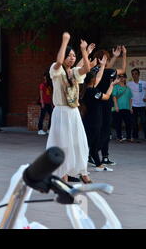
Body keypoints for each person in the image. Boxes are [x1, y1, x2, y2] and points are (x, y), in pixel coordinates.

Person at [46, 33, 91, 184]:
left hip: (73, 112)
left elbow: (87, 68)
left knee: (80, 142)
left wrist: (84, 51)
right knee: (63, 144)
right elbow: (59, 61)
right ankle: (63, 176)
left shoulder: (74, 72)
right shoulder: (56, 70)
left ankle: (83, 172)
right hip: (61, 112)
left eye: (73, 55)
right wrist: (65, 40)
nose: (71, 58)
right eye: (69, 55)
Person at [82, 55, 120, 172]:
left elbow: (98, 77)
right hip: (93, 122)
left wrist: (103, 66)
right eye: (95, 78)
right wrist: (112, 85)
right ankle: (80, 167)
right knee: (88, 144)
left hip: (92, 121)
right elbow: (107, 96)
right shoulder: (92, 92)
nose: (97, 79)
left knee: (93, 145)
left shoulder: (88, 90)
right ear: (92, 81)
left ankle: (98, 165)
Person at [91, 45, 127, 165]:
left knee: (99, 130)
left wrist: (115, 57)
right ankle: (94, 152)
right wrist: (123, 55)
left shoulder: (93, 71)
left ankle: (103, 156)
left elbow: (106, 68)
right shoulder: (109, 71)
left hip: (94, 102)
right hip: (105, 103)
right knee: (105, 131)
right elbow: (123, 69)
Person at [127, 68, 146, 141]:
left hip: (142, 105)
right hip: (133, 106)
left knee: (144, 121)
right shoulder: (129, 84)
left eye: (136, 74)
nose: (134, 75)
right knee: (134, 122)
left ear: (139, 74)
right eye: (133, 74)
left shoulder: (143, 83)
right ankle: (135, 136)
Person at [112, 74, 133, 142]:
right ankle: (119, 137)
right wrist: (116, 106)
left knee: (128, 123)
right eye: (120, 77)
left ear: (125, 78)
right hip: (118, 108)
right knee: (118, 124)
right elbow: (114, 97)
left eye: (123, 77)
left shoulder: (128, 88)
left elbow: (130, 98)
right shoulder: (116, 87)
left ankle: (129, 137)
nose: (121, 78)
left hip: (126, 108)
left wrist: (131, 107)